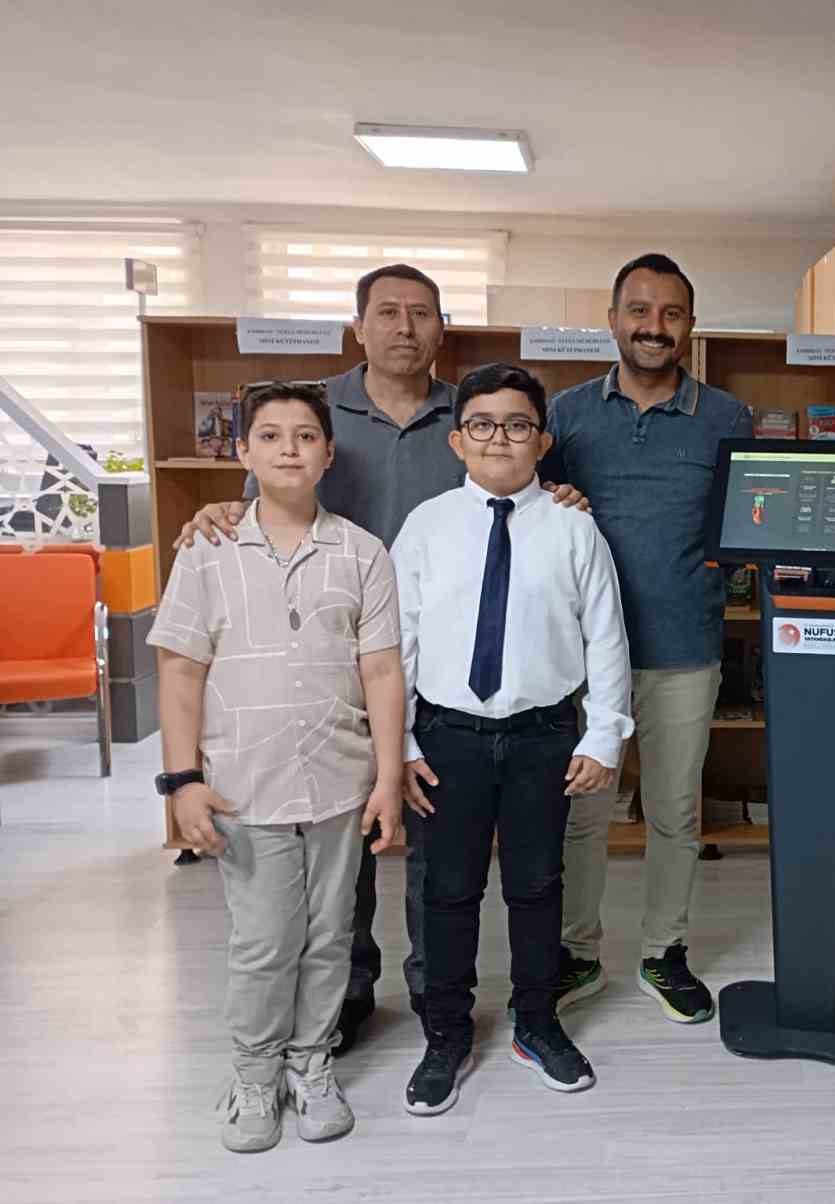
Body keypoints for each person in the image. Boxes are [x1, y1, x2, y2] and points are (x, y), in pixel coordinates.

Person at [177, 263, 585, 1056]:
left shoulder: (471, 415)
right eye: (388, 312)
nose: (405, 327)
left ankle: (437, 992)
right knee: (344, 836)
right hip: (331, 653)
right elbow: (268, 492)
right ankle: (349, 989)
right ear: (357, 326)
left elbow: (523, 496)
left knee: (428, 833)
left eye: (422, 313)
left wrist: (564, 495)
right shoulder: (319, 411)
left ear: (442, 329)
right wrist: (220, 506)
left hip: (428, 663)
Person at [148, 382, 405, 1152]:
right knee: (264, 941)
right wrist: (181, 782)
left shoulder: (362, 553)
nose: (288, 448)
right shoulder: (207, 550)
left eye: (304, 435)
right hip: (243, 786)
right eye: (269, 435)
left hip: (337, 782)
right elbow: (180, 671)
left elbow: (382, 671)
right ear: (243, 452)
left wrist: (388, 778)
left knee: (330, 937)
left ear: (329, 453)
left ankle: (310, 1064)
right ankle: (255, 1074)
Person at [392, 363, 632, 1115]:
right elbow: (398, 643)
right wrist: (401, 745)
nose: (500, 438)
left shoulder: (573, 527)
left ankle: (537, 1021)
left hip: (543, 738)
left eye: (519, 425)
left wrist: (603, 735)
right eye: (484, 424)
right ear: (458, 440)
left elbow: (606, 637)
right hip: (446, 739)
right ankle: (446, 1032)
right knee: (448, 890)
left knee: (536, 886)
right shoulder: (426, 527)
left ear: (542, 441)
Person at [542, 253, 753, 1024]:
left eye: (670, 313)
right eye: (639, 310)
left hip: (683, 647)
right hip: (581, 655)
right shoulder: (566, 414)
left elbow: (746, 521)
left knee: (674, 812)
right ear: (613, 320)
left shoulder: (727, 417)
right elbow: (533, 511)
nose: (653, 327)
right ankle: (577, 953)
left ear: (690, 325)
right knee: (583, 815)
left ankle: (665, 951)